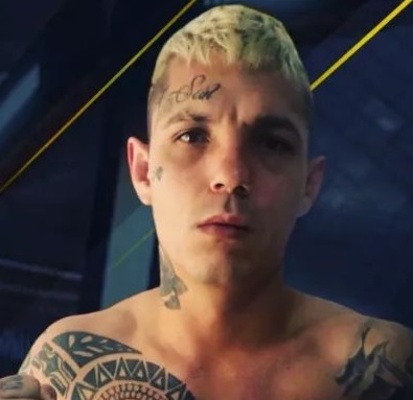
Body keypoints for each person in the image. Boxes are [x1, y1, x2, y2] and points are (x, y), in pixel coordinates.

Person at [1, 4, 412, 400]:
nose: (231, 176)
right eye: (192, 136)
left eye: (272, 143)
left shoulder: (389, 365)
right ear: (142, 171)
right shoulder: (66, 365)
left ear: (309, 183)